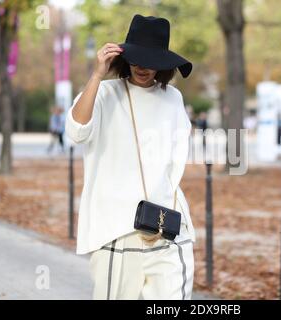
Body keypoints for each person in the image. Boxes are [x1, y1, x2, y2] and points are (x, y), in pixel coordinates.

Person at [65, 14, 195, 300]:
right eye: (136, 59)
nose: (142, 67)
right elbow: (76, 131)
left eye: (151, 61)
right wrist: (97, 75)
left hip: (167, 224)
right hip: (117, 227)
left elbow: (174, 157)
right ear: (124, 58)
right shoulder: (104, 92)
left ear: (163, 64)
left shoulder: (173, 98)